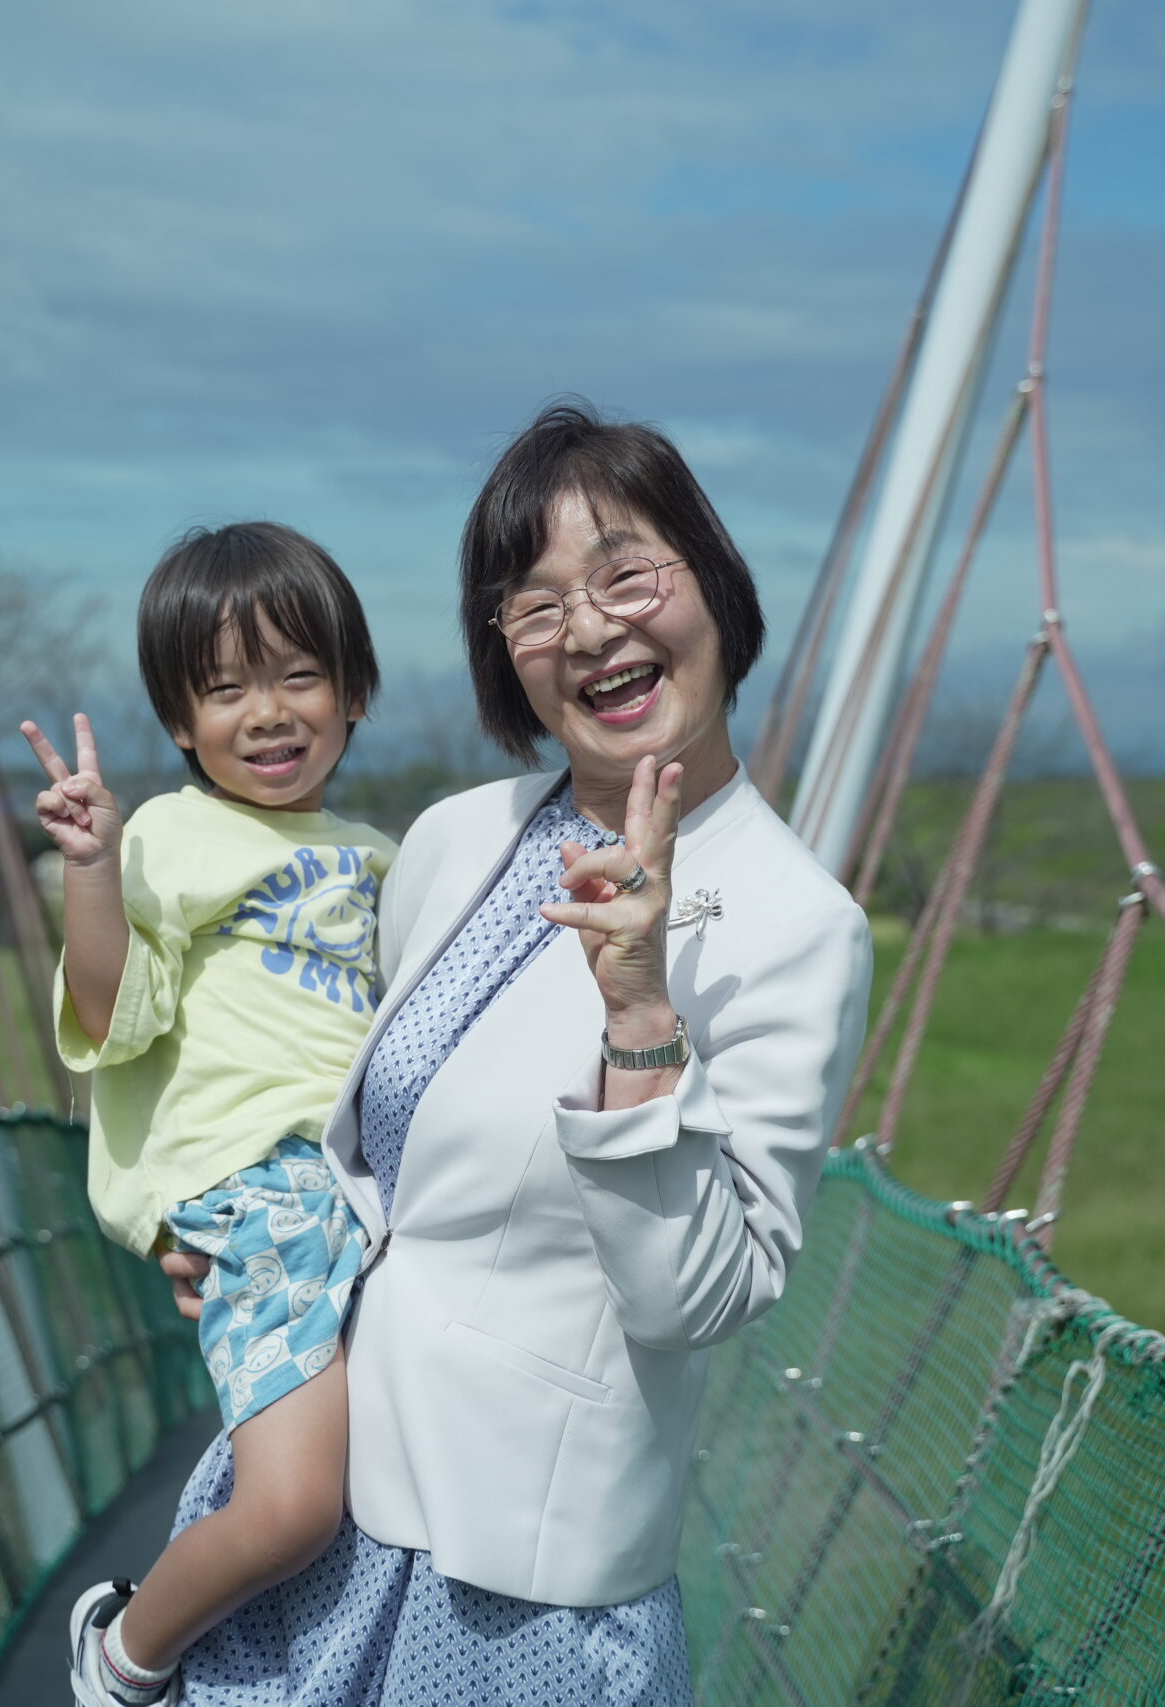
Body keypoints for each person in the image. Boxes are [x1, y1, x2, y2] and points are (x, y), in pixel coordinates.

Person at [159, 401, 875, 1704]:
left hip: (515, 1583)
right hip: (322, 1504)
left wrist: (642, 1014)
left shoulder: (797, 923)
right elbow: (382, 1154)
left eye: (627, 572)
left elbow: (693, 1299)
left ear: (714, 584)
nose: (591, 627)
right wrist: (250, 1246)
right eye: (535, 605)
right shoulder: (454, 835)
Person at [24, 521, 397, 1707]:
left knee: (382, 1486)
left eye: (298, 676)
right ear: (181, 724)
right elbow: (112, 1013)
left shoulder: (382, 857)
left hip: (371, 1195)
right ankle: (126, 1658)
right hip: (259, 1192)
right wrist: (94, 866)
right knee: (292, 1507)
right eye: (225, 690)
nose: (269, 713)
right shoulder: (172, 839)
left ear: (353, 693)